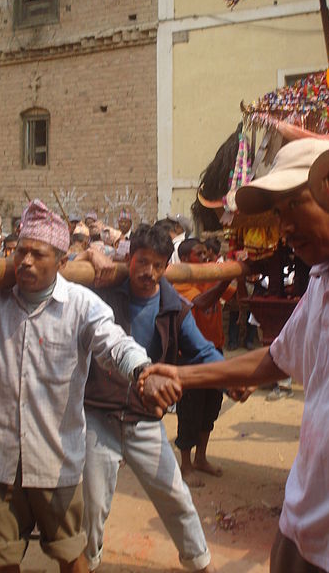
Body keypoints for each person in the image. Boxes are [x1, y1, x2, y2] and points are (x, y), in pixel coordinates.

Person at [140, 138, 329, 573]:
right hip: (302, 515)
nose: (284, 226)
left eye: (296, 204)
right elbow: (275, 360)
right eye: (278, 212)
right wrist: (179, 375)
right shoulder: (322, 283)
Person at [0, 199, 151, 573]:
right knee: (2, 558)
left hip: (55, 460)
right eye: (20, 251)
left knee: (71, 554)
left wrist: (142, 369)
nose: (26, 262)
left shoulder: (81, 305)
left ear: (62, 261)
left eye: (38, 254)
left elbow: (114, 343)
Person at [83, 224, 221, 572]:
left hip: (145, 416)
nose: (149, 272)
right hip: (100, 413)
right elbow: (58, 271)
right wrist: (88, 253)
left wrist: (232, 376)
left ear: (165, 266)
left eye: (158, 265)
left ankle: (200, 562)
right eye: (142, 262)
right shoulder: (103, 293)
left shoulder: (174, 307)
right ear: (129, 259)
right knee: (93, 504)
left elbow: (204, 350)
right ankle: (87, 563)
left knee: (175, 496)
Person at [174, 239, 235, 486]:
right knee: (190, 410)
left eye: (206, 253)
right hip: (190, 356)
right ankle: (185, 465)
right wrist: (225, 281)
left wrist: (234, 272)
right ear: (187, 258)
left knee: (211, 407)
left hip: (215, 351)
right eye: (200, 254)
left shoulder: (209, 275)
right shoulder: (178, 281)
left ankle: (201, 458)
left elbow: (231, 295)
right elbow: (201, 302)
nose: (206, 257)